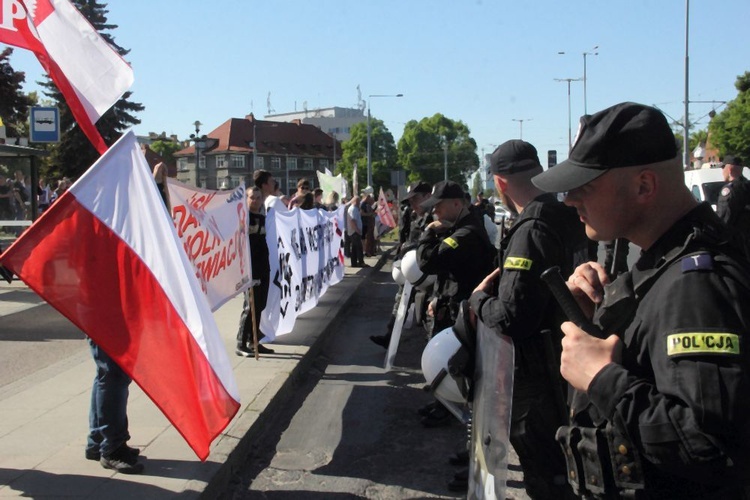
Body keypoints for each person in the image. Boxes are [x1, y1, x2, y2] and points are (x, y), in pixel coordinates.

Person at [531, 101, 750, 499]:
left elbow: (711, 446)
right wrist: (601, 315)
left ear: (644, 186)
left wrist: (602, 379)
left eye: (586, 186)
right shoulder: (660, 263)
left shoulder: (697, 285)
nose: (569, 200)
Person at [469, 140, 590, 498]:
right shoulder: (567, 215)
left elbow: (512, 318)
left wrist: (478, 301)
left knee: (547, 479)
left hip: (539, 380)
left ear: (500, 183)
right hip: (569, 367)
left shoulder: (532, 228)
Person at [416, 181, 495, 427]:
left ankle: (462, 420)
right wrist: (438, 297)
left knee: (458, 365)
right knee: (449, 360)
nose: (434, 212)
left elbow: (428, 261)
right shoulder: (459, 227)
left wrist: (428, 231)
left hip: (464, 311)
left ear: (457, 204)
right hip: (453, 304)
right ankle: (445, 404)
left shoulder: (466, 233)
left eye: (438, 206)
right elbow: (450, 272)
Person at [370, 181, 432, 348]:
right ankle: (390, 336)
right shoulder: (414, 215)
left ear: (428, 196)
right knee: (400, 301)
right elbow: (408, 238)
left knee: (428, 308)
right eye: (410, 200)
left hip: (429, 274)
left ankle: (431, 344)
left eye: (416, 199)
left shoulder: (434, 216)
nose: (412, 203)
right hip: (411, 269)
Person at [85, 340, 144, 474]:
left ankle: (98, 441)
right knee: (114, 373)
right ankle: (112, 448)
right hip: (110, 321)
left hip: (104, 320)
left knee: (107, 373)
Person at [236, 186, 275, 356]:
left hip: (263, 266)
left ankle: (254, 341)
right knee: (250, 306)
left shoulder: (264, 217)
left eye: (259, 197)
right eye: (252, 197)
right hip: (250, 267)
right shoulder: (243, 218)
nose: (256, 200)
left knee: (260, 304)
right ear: (246, 199)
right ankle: (241, 343)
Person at [716, 154, 750, 259]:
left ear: (729, 169)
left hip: (737, 246)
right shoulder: (747, 185)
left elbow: (723, 219)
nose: (722, 171)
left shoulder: (729, 190)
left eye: (723, 167)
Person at [347, 195, 365, 267]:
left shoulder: (355, 209)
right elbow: (352, 221)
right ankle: (361, 262)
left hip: (355, 231)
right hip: (354, 232)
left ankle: (354, 263)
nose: (359, 203)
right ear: (354, 201)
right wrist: (357, 230)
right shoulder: (353, 209)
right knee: (359, 247)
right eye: (358, 202)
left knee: (354, 248)